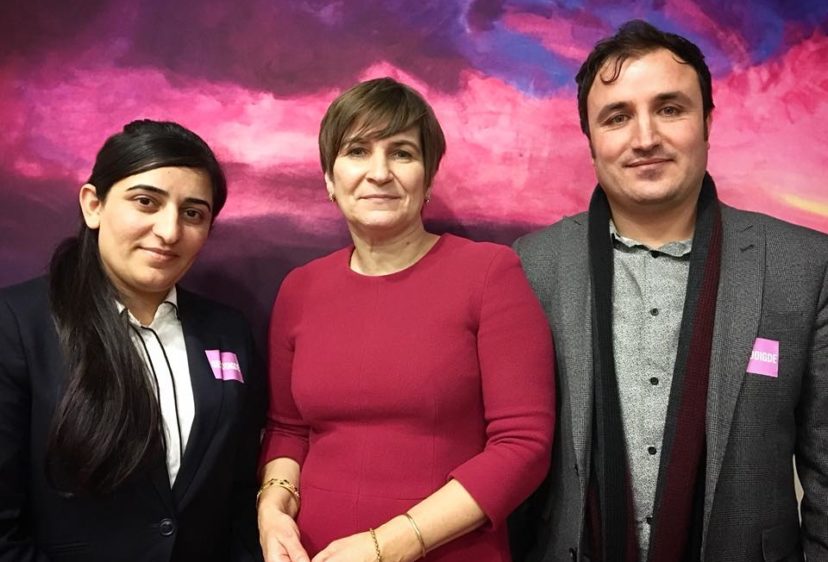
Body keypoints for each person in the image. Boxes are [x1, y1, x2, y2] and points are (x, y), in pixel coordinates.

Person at [509, 19, 828, 562]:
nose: (645, 138)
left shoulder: (804, 265)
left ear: (707, 122)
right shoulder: (530, 266)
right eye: (617, 117)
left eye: (670, 109)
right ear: (591, 142)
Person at [257, 77, 555, 562]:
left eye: (401, 153)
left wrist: (389, 545)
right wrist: (271, 510)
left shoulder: (489, 274)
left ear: (428, 178)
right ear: (329, 179)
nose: (379, 173)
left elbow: (523, 445)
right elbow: (286, 430)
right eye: (357, 151)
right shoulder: (299, 289)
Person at [0, 119, 265, 561]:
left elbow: (238, 495)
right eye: (146, 202)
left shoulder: (228, 332)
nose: (169, 231)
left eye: (193, 213)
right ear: (94, 205)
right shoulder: (16, 325)